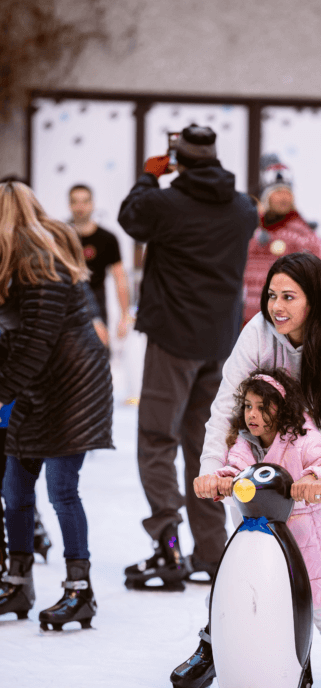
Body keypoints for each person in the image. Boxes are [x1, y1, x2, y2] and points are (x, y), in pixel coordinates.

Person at [169, 251, 321, 688]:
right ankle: (217, 641)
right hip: (281, 446)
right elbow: (225, 407)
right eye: (272, 295)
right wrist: (210, 471)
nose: (277, 305)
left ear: (314, 300)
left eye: (290, 297)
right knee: (250, 536)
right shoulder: (258, 333)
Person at [118, 124, 258, 588]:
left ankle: (167, 546)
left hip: (171, 339)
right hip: (219, 344)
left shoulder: (163, 203)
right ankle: (212, 552)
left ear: (178, 157)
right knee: (207, 447)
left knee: (158, 438)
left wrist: (147, 176)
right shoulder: (242, 209)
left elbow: (130, 218)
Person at [211, 368, 321, 688]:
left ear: (281, 410)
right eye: (248, 406)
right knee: (282, 611)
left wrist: (314, 478)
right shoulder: (248, 442)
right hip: (275, 543)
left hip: (312, 538)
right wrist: (222, 479)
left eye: (261, 408)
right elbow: (235, 464)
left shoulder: (302, 436)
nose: (252, 415)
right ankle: (297, 673)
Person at [0, 181, 113, 628]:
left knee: (62, 490)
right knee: (15, 489)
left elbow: (35, 344)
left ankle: (79, 591)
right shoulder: (13, 264)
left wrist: (2, 392)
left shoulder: (42, 265)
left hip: (74, 389)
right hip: (36, 389)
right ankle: (17, 582)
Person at [242, 154, 321, 325]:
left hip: (285, 321)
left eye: (287, 192)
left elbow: (316, 276)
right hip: (248, 319)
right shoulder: (251, 229)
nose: (284, 197)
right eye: (277, 192)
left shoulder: (303, 233)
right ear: (266, 197)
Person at [69, 184, 131, 340]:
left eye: (85, 201)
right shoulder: (62, 237)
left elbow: (120, 278)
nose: (80, 207)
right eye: (75, 201)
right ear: (69, 205)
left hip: (98, 298)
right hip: (68, 302)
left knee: (100, 351)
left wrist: (124, 315)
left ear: (92, 204)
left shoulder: (107, 239)